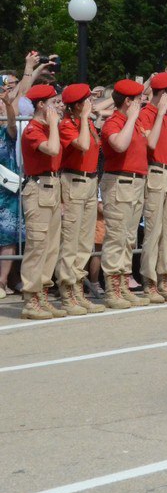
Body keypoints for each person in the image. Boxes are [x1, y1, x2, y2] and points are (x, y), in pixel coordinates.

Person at [98, 79, 151, 308]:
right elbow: (119, 145)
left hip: (135, 182)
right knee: (117, 237)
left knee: (129, 238)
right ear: (128, 102)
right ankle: (112, 290)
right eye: (138, 99)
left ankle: (122, 285)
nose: (141, 102)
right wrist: (131, 118)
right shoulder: (114, 122)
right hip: (119, 182)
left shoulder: (132, 121)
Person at [55, 83, 105, 314]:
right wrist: (85, 119)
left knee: (85, 240)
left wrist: (88, 119)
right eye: (87, 100)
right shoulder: (67, 124)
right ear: (77, 106)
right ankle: (67, 291)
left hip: (89, 182)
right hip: (73, 182)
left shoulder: (88, 123)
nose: (91, 103)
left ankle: (77, 288)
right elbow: (83, 145)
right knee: (71, 240)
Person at [18, 84, 64, 319]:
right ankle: (31, 298)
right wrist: (54, 124)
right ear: (41, 105)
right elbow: (53, 149)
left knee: (51, 245)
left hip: (53, 187)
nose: (59, 107)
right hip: (38, 189)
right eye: (54, 103)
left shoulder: (47, 128)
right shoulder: (33, 130)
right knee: (37, 245)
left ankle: (43, 293)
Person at [138, 71, 167, 303]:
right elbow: (151, 143)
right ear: (163, 93)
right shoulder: (146, 113)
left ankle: (164, 278)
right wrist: (161, 115)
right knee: (153, 231)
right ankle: (149, 281)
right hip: (155, 172)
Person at [0, 76, 22, 299]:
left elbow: (13, 125)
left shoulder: (6, 133)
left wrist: (8, 104)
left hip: (6, 191)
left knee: (7, 236)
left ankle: (2, 281)